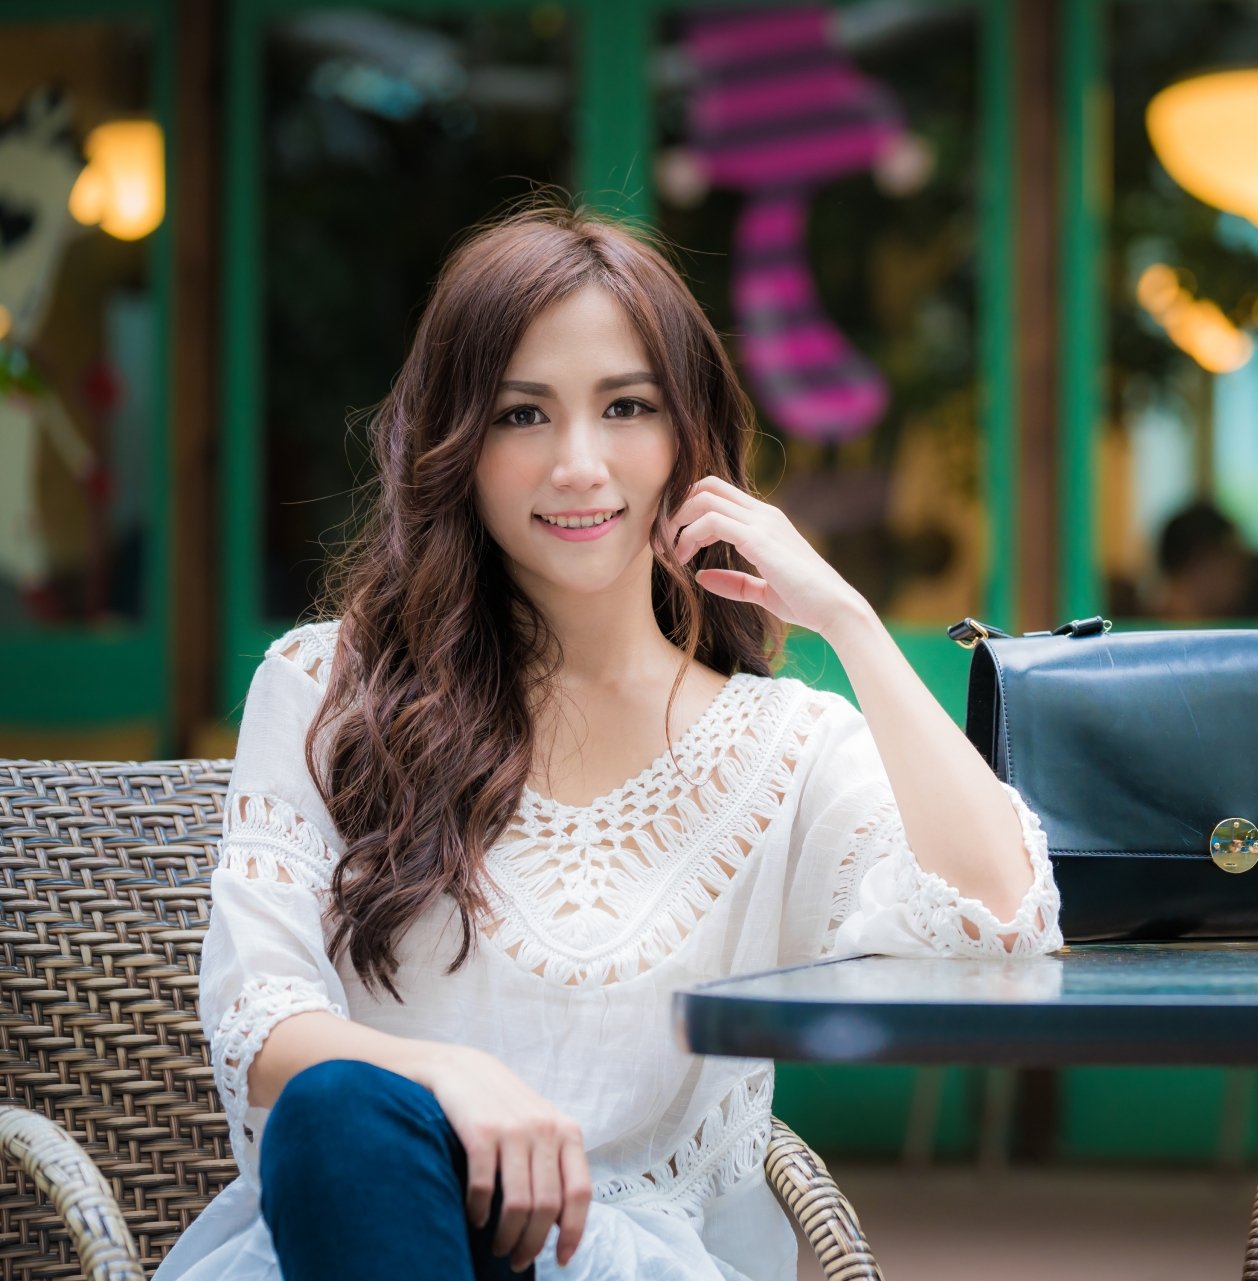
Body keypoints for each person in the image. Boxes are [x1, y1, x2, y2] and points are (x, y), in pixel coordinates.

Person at [153, 206, 1062, 1281]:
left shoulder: (781, 747)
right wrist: (445, 1077)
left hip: (622, 1258)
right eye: (522, 415)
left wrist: (849, 621)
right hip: (375, 1221)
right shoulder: (330, 689)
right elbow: (259, 1018)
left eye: (625, 406)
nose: (579, 465)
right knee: (341, 1109)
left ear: (686, 437)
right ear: (457, 446)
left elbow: (1005, 922)